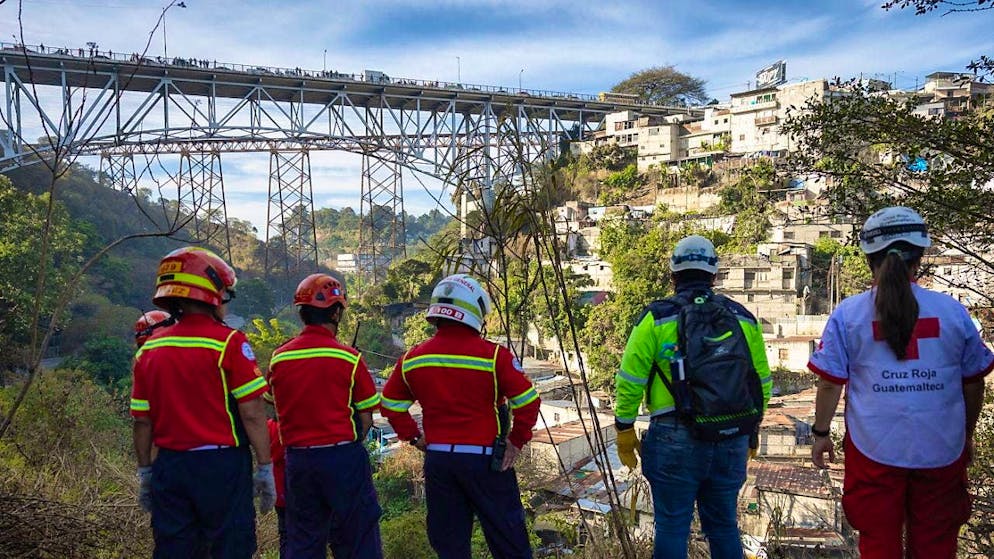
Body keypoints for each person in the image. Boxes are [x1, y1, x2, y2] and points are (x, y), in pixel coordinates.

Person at [809, 206, 993, 558]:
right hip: (942, 445)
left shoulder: (848, 314)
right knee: (937, 543)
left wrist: (820, 434)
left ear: (869, 257)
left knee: (879, 541)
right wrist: (965, 435)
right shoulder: (952, 312)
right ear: (919, 257)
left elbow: (830, 383)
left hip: (873, 447)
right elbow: (973, 383)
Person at [614, 235, 772, 559]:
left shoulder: (656, 318)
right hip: (731, 436)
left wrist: (624, 428)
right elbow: (761, 383)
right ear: (714, 275)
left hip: (674, 436)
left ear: (673, 275)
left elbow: (630, 379)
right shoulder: (743, 318)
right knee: (724, 526)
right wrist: (752, 432)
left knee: (672, 527)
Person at [381, 273, 540, 559]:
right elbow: (528, 401)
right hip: (486, 462)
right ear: (475, 311)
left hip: (440, 462)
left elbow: (390, 404)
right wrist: (516, 441)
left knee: (450, 547)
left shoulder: (413, 359)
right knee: (510, 544)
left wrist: (414, 437)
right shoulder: (494, 357)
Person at [130, 247, 276, 559]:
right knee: (230, 548)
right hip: (221, 467)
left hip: (170, 466)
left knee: (174, 550)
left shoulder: (148, 350)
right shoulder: (229, 343)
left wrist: (145, 472)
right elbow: (252, 414)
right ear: (212, 295)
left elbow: (142, 421)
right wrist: (265, 466)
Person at [267, 273, 382, 559]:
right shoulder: (349, 359)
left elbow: (274, 408)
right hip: (342, 458)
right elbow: (366, 418)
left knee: (304, 540)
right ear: (336, 312)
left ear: (302, 313)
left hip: (298, 461)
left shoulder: (279, 358)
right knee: (358, 538)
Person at [265, 394, 288, 558]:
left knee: (285, 533)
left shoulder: (267, 427)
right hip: (292, 489)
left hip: (278, 492)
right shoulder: (286, 430)